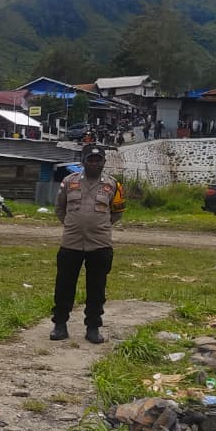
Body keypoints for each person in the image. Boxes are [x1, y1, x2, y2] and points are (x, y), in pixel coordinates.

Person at [51, 144, 126, 344]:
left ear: (103, 162)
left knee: (97, 288)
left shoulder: (113, 185)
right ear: (83, 161)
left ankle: (93, 327)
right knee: (64, 286)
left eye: (98, 160)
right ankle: (60, 325)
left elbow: (117, 212)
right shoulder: (69, 182)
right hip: (71, 243)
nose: (94, 164)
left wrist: (98, 226)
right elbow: (60, 208)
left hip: (100, 244)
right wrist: (72, 224)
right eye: (90, 160)